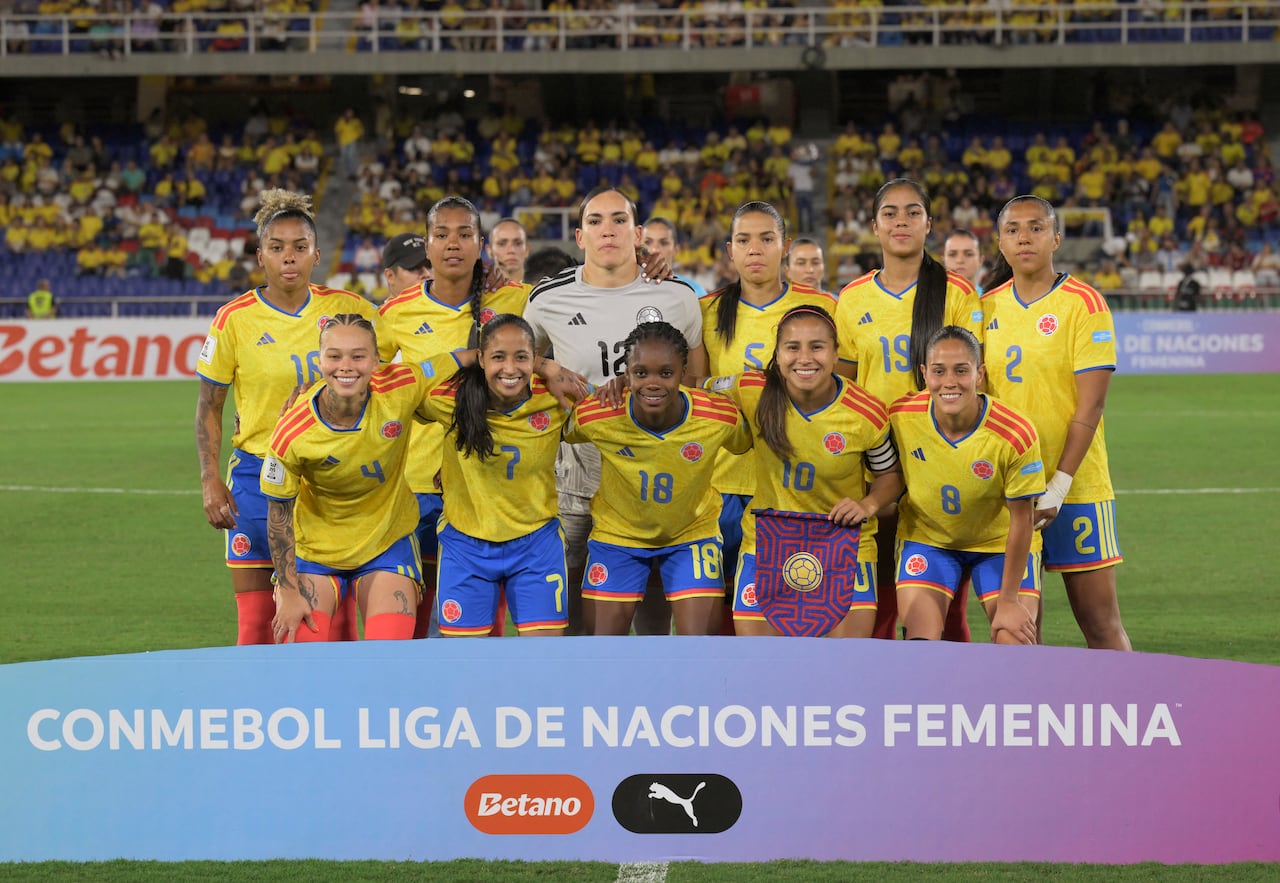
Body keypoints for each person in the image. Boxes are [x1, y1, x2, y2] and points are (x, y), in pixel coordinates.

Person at [195, 189, 378, 645]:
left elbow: (401, 370)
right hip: (258, 477)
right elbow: (209, 405)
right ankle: (255, 714)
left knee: (330, 624)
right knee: (257, 624)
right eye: (276, 248)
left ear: (317, 253)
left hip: (332, 479)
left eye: (299, 247)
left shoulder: (350, 309)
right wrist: (209, 478)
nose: (288, 258)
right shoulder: (233, 320)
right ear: (261, 256)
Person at [525, 186, 707, 635]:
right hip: (576, 466)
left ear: (638, 232)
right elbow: (508, 358)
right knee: (569, 600)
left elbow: (697, 386)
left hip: (652, 464)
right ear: (580, 236)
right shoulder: (548, 298)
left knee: (650, 601)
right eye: (596, 221)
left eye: (619, 220)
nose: (608, 229)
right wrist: (546, 365)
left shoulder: (677, 296)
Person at [833, 178, 984, 642]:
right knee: (873, 594)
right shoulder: (853, 297)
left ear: (928, 224)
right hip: (874, 462)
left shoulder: (956, 294)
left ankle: (943, 695)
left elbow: (976, 382)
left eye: (912, 212)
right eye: (891, 213)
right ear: (874, 226)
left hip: (938, 459)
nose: (901, 221)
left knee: (942, 598)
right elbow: (844, 389)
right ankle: (878, 697)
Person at [982, 195, 1132, 651]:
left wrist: (1061, 484)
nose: (1024, 237)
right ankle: (1034, 717)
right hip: (1011, 491)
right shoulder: (980, 308)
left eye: (1035, 227)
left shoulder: (1084, 304)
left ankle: (1131, 712)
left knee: (1101, 624)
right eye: (1013, 229)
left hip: (1077, 488)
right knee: (1017, 630)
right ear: (1000, 243)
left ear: (1056, 238)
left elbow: (1091, 407)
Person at [378, 196, 528, 639]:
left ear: (481, 244)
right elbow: (374, 389)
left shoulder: (516, 301)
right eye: (441, 234)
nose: (453, 244)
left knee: (482, 625)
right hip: (418, 483)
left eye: (465, 234)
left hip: (491, 484)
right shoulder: (396, 314)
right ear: (427, 245)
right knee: (418, 617)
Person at [708, 305, 904, 638]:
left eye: (817, 346)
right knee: (762, 668)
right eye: (792, 347)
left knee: (842, 669)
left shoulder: (865, 413)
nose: (805, 357)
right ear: (777, 353)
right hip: (767, 542)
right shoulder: (749, 389)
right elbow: (685, 389)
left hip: (843, 543)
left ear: (835, 353)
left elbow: (891, 476)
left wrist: (867, 505)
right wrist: (628, 380)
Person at [699, 202, 838, 633]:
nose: (754, 249)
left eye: (766, 238)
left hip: (793, 485)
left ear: (786, 247)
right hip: (720, 481)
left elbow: (840, 394)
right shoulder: (707, 310)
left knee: (792, 613)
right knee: (716, 613)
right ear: (729, 251)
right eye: (743, 240)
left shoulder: (822, 306)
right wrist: (738, 385)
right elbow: (697, 391)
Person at [567, 322, 751, 636]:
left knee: (700, 647)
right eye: (641, 373)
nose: (653, 383)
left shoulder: (719, 417)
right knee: (601, 649)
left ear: (683, 373)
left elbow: (745, 442)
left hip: (691, 534)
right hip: (617, 537)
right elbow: (553, 432)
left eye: (665, 373)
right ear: (626, 374)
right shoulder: (596, 414)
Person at [263, 315, 424, 643]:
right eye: (334, 356)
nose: (345, 366)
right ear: (319, 360)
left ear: (377, 361)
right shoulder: (291, 432)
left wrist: (543, 365)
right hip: (314, 553)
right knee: (303, 662)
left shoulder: (401, 388)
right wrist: (289, 591)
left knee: (387, 659)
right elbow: (278, 516)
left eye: (358, 356)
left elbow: (460, 360)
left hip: (386, 544)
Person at [417, 315, 574, 637]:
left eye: (522, 357)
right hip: (465, 544)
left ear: (534, 359)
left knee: (545, 661)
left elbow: (622, 406)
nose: (510, 368)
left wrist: (549, 368)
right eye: (498, 357)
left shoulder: (557, 399)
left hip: (537, 545)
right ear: (481, 359)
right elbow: (408, 382)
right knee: (466, 669)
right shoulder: (448, 399)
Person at [888, 326, 1043, 644]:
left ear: (979, 374)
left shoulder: (1014, 432)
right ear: (924, 374)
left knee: (1012, 641)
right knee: (920, 648)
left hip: (998, 546)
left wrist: (1010, 601)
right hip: (929, 541)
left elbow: (1023, 519)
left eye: (961, 370)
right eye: (938, 371)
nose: (949, 382)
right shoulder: (900, 417)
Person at [641, 216, 708, 297]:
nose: (655, 249)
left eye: (663, 243)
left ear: (676, 250)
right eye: (647, 242)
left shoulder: (695, 291)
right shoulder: (626, 287)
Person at [380, 232, 431, 305]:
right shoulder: (379, 316)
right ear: (390, 276)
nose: (427, 274)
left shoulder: (449, 313)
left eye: (430, 266)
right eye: (414, 267)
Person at [489, 217, 531, 284]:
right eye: (502, 244)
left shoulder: (543, 292)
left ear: (527, 250)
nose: (511, 250)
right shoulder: (478, 292)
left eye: (518, 243)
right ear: (490, 251)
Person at [943, 228, 985, 293]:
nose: (960, 260)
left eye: (968, 254)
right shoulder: (929, 300)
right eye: (952, 254)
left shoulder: (991, 301)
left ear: (980, 260)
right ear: (944, 260)